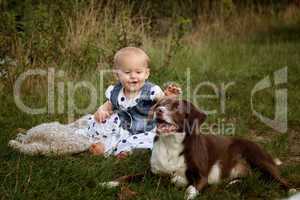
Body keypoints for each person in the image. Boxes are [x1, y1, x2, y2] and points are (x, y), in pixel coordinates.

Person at [87, 47, 181, 158]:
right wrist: (101, 110)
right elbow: (109, 105)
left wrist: (168, 98)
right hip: (121, 126)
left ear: (146, 74)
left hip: (144, 128)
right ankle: (103, 145)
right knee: (101, 122)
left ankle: (126, 151)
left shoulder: (151, 91)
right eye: (127, 72)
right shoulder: (115, 91)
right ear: (117, 75)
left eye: (138, 72)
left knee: (148, 139)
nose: (133, 76)